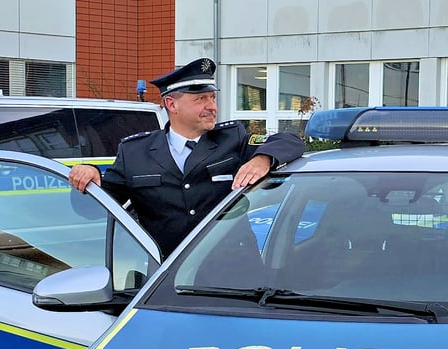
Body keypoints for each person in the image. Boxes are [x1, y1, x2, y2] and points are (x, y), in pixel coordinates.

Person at [68, 57, 305, 257]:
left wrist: (262, 159)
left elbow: (290, 141)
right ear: (172, 104)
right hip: (169, 277)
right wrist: (87, 173)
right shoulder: (134, 152)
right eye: (200, 99)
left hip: (235, 272)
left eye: (212, 98)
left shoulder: (232, 139)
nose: (211, 106)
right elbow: (92, 209)